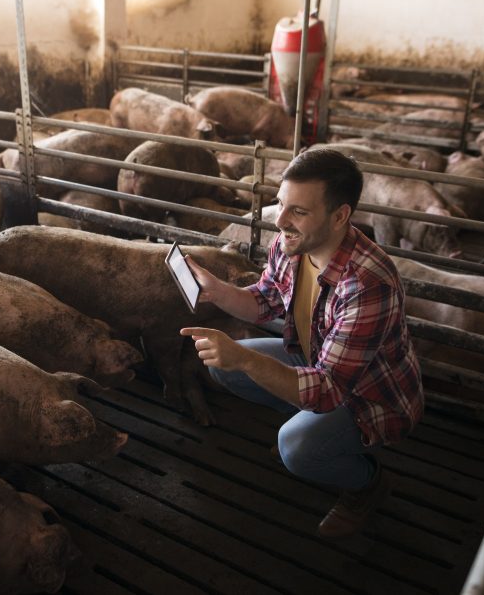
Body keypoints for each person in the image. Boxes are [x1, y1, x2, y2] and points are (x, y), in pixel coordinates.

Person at [180, 148, 423, 538]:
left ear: (340, 215)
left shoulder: (367, 284)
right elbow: (264, 300)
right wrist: (219, 292)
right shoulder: (292, 244)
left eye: (299, 211)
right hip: (317, 363)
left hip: (372, 399)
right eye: (281, 203)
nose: (280, 220)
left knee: (296, 448)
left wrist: (244, 359)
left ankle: (366, 484)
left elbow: (328, 390)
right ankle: (312, 429)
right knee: (221, 368)